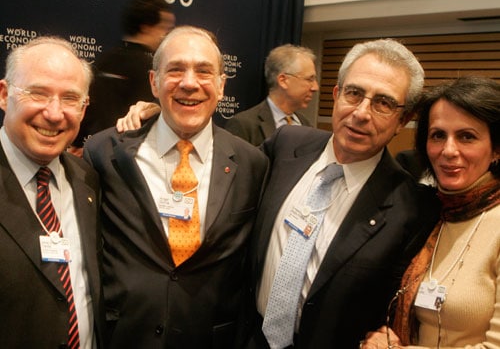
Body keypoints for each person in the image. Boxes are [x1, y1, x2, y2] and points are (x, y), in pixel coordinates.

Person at [119, 38, 441, 349]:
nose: (361, 112)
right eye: (354, 93)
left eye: (383, 103)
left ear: (405, 119)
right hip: (245, 338)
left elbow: (399, 305)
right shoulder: (287, 145)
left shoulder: (412, 208)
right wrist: (163, 117)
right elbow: (217, 167)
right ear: (336, 94)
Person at [83, 25, 268, 348]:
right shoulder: (105, 152)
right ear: (154, 82)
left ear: (222, 86)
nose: (189, 83)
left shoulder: (252, 163)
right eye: (176, 69)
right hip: (125, 337)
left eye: (204, 71)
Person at [361, 76, 500, 348]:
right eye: (438, 135)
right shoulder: (430, 214)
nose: (448, 151)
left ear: (496, 149)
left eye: (466, 137)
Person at [0, 36, 104, 348]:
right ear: (4, 95)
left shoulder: (88, 179)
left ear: (84, 109)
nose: (55, 113)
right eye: (38, 93)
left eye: (71, 99)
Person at [69, 0, 175, 157]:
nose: (164, 37)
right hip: (129, 157)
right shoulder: (147, 68)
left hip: (94, 153)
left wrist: (77, 144)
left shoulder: (105, 60)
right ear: (146, 26)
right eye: (163, 29)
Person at [224, 44, 317, 146]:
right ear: (283, 81)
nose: (315, 87)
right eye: (309, 79)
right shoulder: (244, 126)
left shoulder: (306, 125)